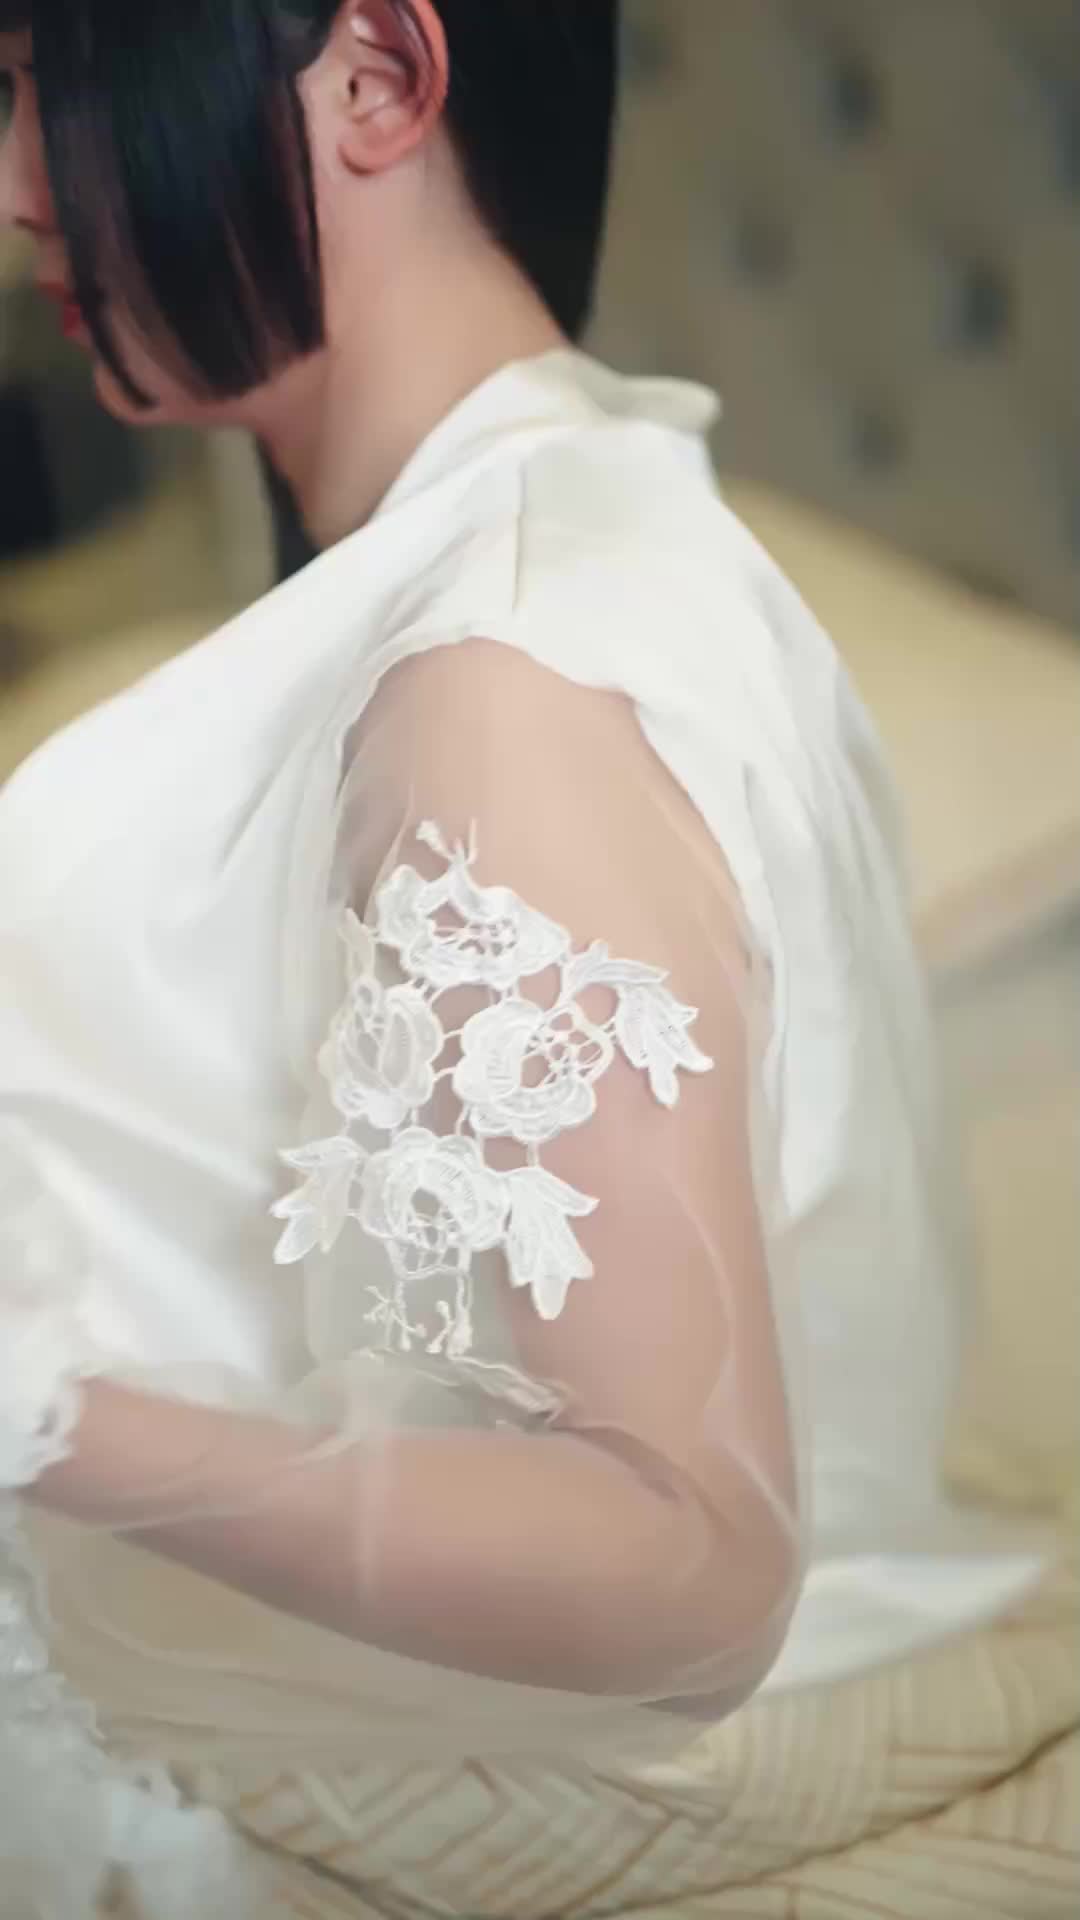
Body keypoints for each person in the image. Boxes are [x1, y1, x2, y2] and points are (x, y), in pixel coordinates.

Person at [0, 5, 1049, 1916]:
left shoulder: (502, 677)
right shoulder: (589, 507)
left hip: (443, 1729)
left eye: (46, 82)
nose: (17, 190)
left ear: (380, 76)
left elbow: (681, 1551)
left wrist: (41, 1412)